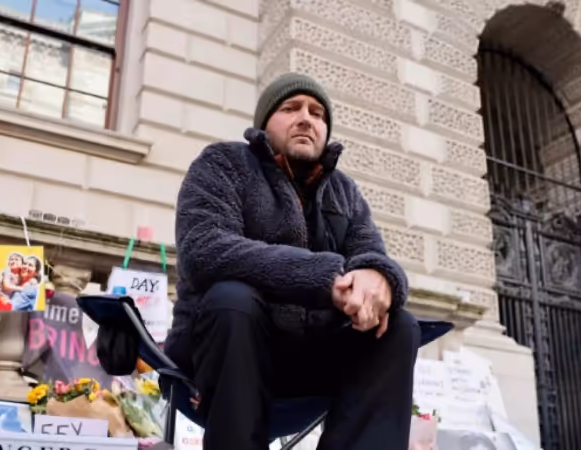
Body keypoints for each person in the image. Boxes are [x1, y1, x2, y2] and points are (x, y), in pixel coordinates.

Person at [165, 73, 421, 450]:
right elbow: (204, 249)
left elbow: (372, 254)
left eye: (317, 113)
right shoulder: (223, 163)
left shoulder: (344, 191)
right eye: (291, 108)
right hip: (226, 352)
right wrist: (324, 277)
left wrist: (381, 279)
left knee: (399, 327)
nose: (305, 119)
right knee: (233, 299)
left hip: (310, 361)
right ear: (264, 123)